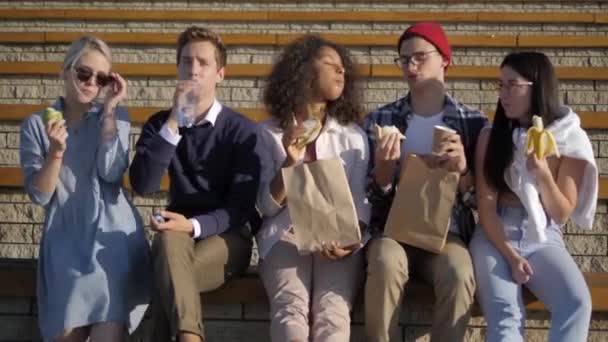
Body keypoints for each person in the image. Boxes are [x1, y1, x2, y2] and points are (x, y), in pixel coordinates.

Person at [129, 26, 261, 342]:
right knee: (168, 244)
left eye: (203, 62)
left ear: (220, 74)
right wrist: (174, 121)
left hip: (228, 238)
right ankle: (191, 337)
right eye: (187, 61)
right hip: (178, 238)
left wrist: (192, 225)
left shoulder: (242, 131)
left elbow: (239, 209)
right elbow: (143, 184)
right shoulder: (160, 124)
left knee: (168, 273)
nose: (193, 69)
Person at [361, 22, 488, 342]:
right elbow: (369, 197)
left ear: (445, 59)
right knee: (385, 262)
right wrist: (384, 170)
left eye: (420, 57)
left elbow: (480, 201)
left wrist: (462, 170)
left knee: (459, 273)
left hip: (446, 234)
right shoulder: (380, 120)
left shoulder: (472, 123)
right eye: (404, 60)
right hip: (392, 231)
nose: (411, 66)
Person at [19, 36, 151, 342]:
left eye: (101, 78)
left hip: (111, 236)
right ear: (66, 71)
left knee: (108, 326)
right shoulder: (37, 125)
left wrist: (108, 114)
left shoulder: (114, 116)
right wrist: (55, 153)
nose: (92, 82)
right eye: (83, 73)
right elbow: (39, 195)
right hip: (65, 236)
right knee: (67, 330)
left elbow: (112, 172)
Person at [470, 51, 597, 342]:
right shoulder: (491, 137)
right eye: (500, 85)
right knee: (506, 316)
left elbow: (562, 212)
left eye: (511, 85)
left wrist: (541, 174)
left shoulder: (569, 140)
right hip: (495, 232)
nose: (503, 94)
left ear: (536, 86)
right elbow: (486, 208)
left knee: (576, 303)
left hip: (542, 234)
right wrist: (511, 256)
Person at [256, 35, 371, 342]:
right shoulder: (268, 133)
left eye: (343, 67)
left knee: (332, 310)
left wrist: (351, 239)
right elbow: (265, 208)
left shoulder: (352, 137)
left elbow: (361, 202)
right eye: (331, 64)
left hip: (339, 237)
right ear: (303, 71)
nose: (341, 72)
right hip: (285, 235)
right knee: (290, 306)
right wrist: (289, 163)